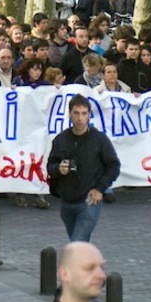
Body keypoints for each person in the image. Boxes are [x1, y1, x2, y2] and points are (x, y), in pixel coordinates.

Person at [46, 95, 120, 242]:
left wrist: (100, 189)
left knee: (77, 242)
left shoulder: (99, 139)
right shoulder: (60, 139)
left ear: (89, 115)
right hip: (67, 201)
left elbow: (114, 166)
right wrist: (58, 169)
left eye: (84, 113)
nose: (80, 118)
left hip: (89, 201)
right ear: (69, 114)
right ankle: (87, 257)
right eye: (76, 113)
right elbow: (50, 166)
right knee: (80, 244)